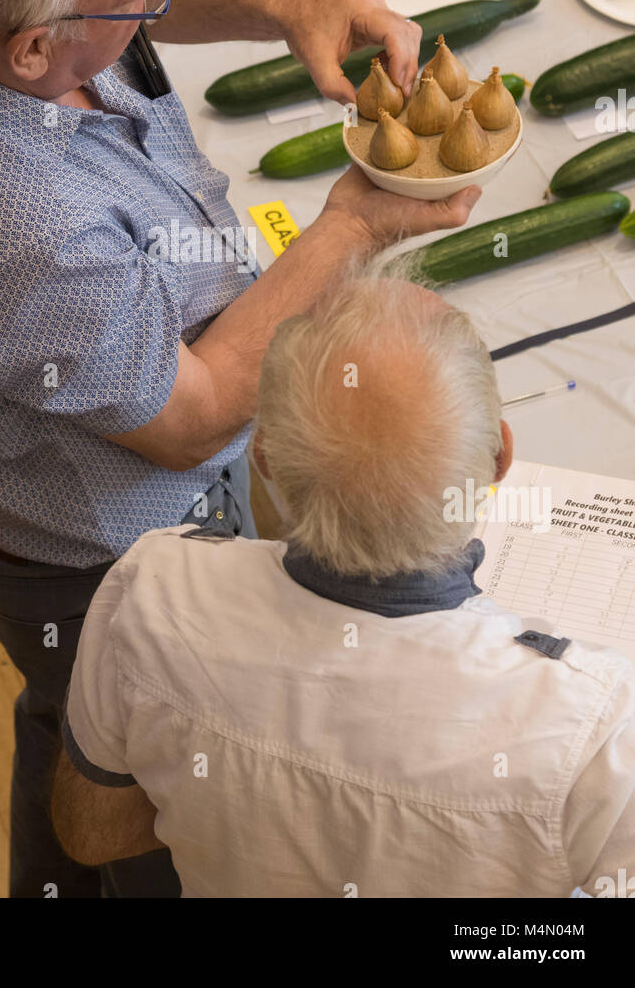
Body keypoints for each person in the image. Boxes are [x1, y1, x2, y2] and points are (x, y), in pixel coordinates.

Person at [0, 0, 480, 898]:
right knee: (154, 803)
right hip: (106, 554)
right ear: (34, 50)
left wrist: (289, 9)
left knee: (71, 722)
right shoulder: (21, 237)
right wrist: (354, 229)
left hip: (50, 455)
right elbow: (194, 414)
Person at [54, 265, 635, 898]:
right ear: (500, 457)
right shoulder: (600, 733)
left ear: (264, 457)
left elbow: (92, 834)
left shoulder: (151, 589)